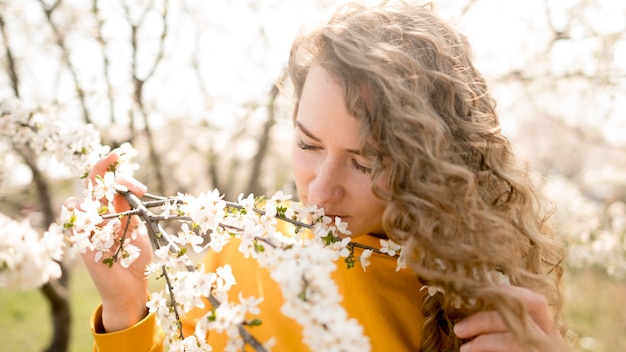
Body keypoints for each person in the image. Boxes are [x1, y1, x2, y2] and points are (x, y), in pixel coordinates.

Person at [81, 2, 569, 351]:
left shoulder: (477, 306)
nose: (319, 189)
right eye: (308, 144)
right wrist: (127, 311)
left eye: (365, 162)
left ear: (438, 164)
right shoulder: (247, 250)